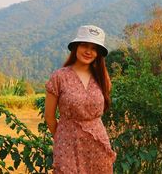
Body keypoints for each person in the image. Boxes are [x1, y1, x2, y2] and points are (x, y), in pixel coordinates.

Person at [44, 25, 116, 174]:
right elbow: (49, 117)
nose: (89, 51)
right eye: (84, 45)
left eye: (94, 48)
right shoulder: (59, 77)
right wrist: (62, 139)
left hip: (97, 143)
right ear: (76, 47)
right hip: (67, 143)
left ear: (98, 54)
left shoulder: (102, 78)